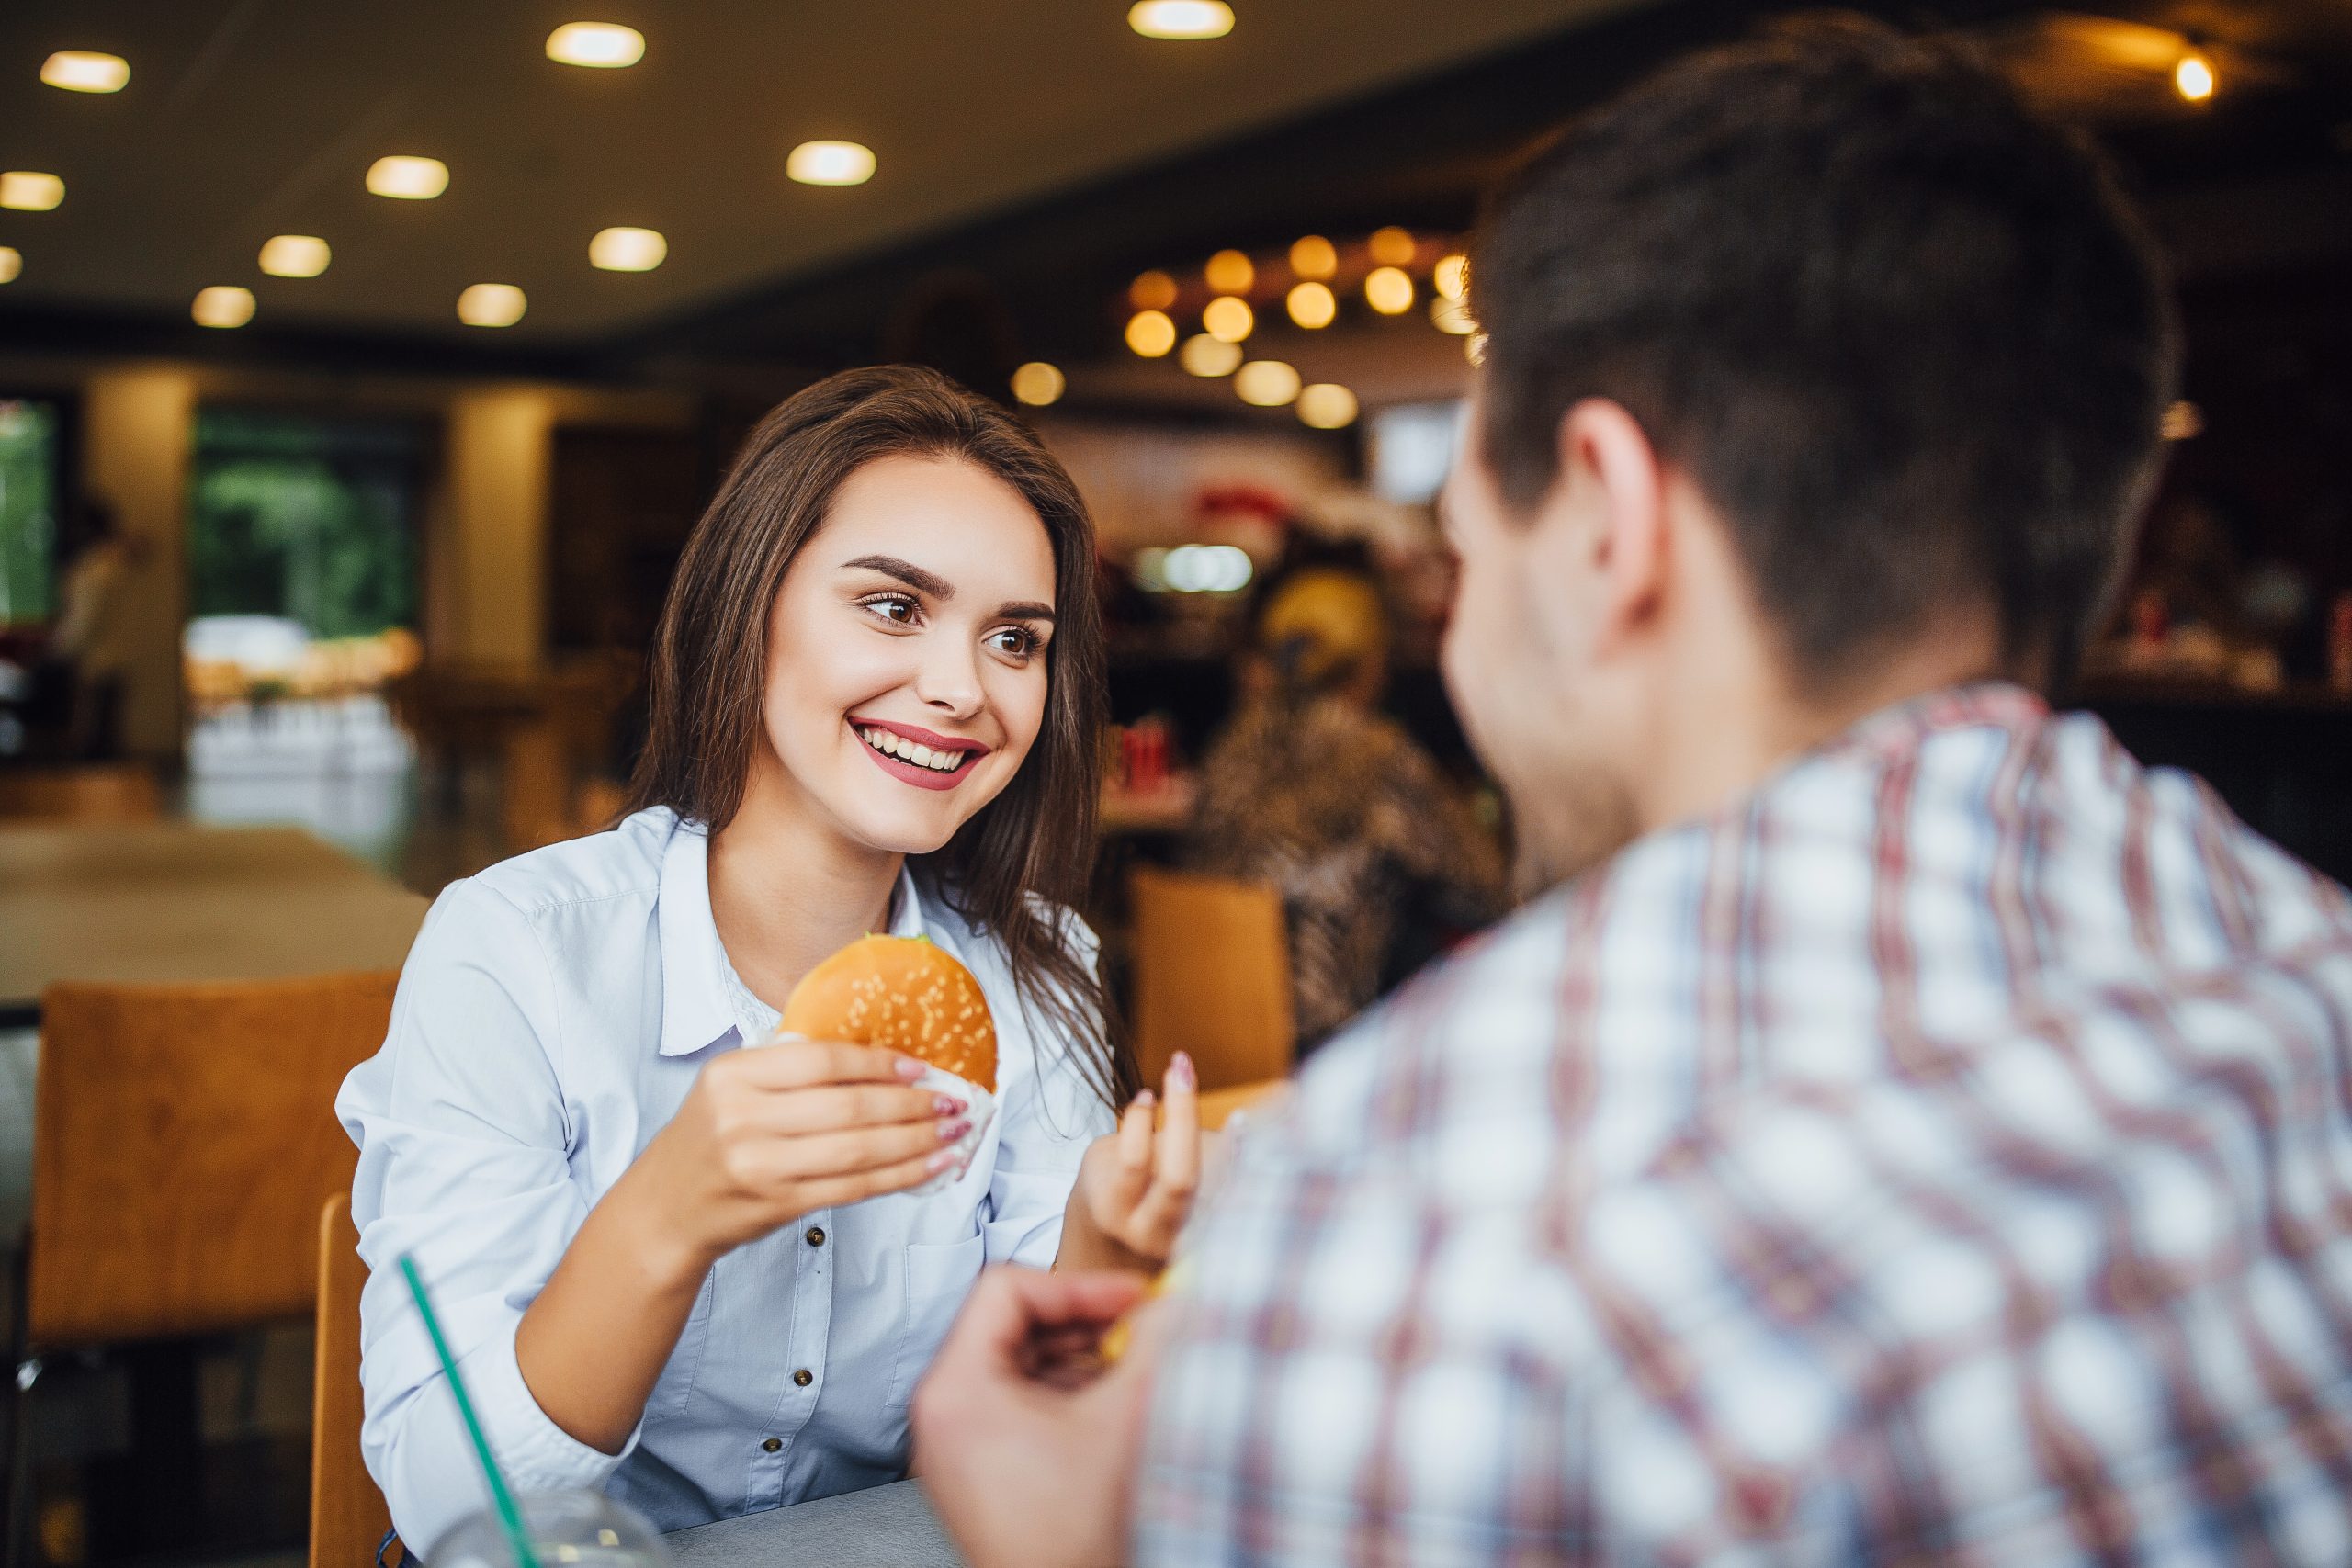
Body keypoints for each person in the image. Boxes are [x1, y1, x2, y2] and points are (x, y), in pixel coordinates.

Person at [911, 19, 2352, 1566]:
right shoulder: (2303, 963)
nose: (1456, 636)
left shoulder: (1425, 1204)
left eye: (1469, 546)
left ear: (1609, 517)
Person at [337, 367, 1202, 1548]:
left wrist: (1105, 1249)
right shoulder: (516, 955)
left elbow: (1035, 1445)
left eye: (1014, 638)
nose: (960, 689)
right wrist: (667, 1217)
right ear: (749, 605)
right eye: (894, 607)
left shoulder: (1034, 961)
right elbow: (452, 1509)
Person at [1185, 554, 1505, 1051]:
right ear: (1371, 660)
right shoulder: (1378, 754)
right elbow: (1484, 887)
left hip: (1199, 1027)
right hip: (1318, 1032)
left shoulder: (1234, 741)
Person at [44, 502, 141, 760]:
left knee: (92, 746)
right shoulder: (115, 566)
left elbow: (83, 623)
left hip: (97, 666)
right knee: (107, 742)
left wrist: (54, 653)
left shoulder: (95, 570)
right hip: (115, 662)